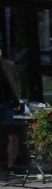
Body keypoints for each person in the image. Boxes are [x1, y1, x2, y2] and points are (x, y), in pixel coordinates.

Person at [1, 44, 24, 173]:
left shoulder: (8, 65)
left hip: (6, 103)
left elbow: (16, 82)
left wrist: (17, 99)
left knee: (12, 135)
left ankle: (10, 165)